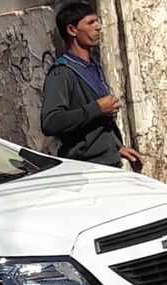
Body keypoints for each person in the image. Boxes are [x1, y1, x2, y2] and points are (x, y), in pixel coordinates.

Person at [41, 1, 144, 170]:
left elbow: (98, 126)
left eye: (97, 21)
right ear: (71, 30)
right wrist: (96, 108)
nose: (99, 27)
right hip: (85, 169)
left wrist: (117, 148)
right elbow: (51, 122)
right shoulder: (62, 73)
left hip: (109, 164)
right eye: (90, 23)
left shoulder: (93, 66)